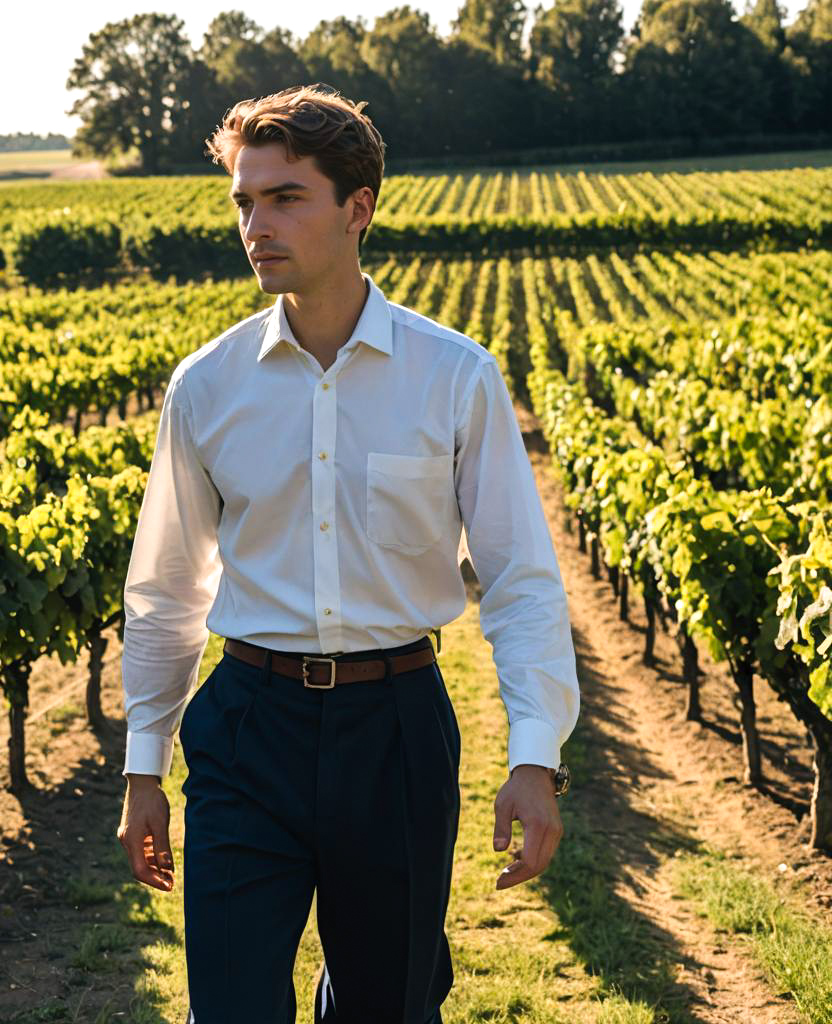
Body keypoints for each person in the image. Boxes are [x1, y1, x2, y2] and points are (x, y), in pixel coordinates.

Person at [115, 83, 580, 1024]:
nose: (256, 224)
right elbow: (167, 589)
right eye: (244, 201)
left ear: (357, 208)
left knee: (388, 1007)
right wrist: (142, 766)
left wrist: (534, 754)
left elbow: (520, 580)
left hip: (396, 731)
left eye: (285, 197)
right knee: (232, 1007)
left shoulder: (454, 376)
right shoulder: (205, 388)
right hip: (247, 730)